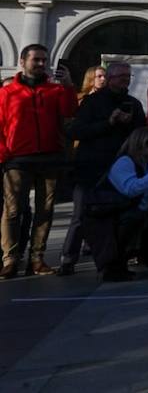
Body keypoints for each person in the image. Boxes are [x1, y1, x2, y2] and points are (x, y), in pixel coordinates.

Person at [0, 45, 77, 279]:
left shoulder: (55, 90)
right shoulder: (7, 93)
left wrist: (69, 86)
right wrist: (4, 155)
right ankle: (10, 258)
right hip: (17, 159)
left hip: (49, 157)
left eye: (45, 60)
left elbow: (69, 112)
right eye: (36, 60)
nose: (41, 64)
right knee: (13, 210)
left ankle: (37, 258)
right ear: (22, 61)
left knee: (45, 210)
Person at [64, 60, 146, 275]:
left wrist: (129, 124)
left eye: (128, 77)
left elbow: (141, 134)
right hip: (92, 167)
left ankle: (115, 263)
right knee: (82, 215)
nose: (125, 81)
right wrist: (108, 122)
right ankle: (68, 259)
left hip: (122, 168)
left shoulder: (133, 103)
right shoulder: (91, 102)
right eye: (121, 77)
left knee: (122, 217)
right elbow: (76, 131)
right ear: (110, 79)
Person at [86, 127, 148, 281]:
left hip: (138, 213)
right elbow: (131, 189)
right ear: (138, 143)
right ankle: (114, 266)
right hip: (108, 216)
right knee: (133, 220)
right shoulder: (125, 162)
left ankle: (145, 258)